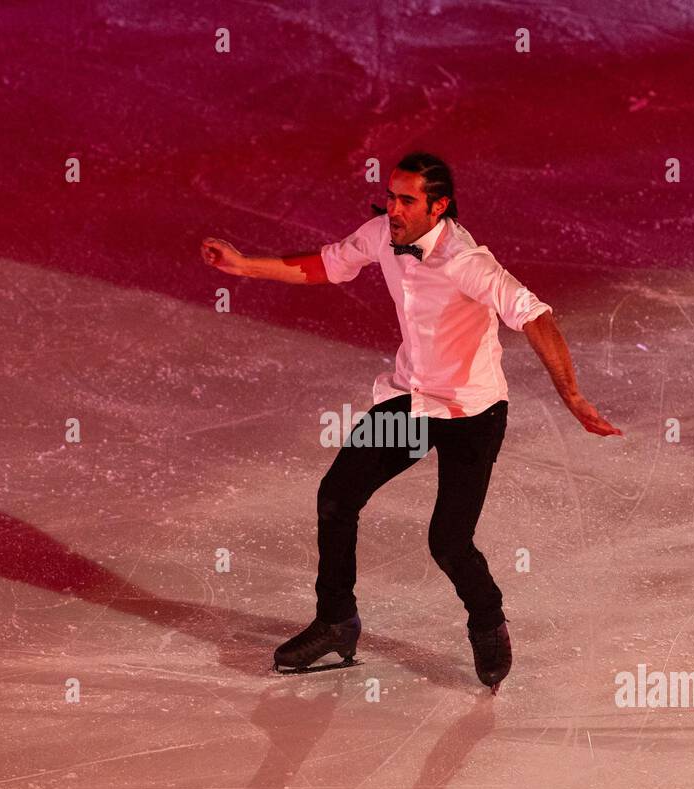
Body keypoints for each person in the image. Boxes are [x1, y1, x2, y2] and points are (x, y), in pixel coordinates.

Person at [201, 152, 621, 692]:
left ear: (438, 205)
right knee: (337, 497)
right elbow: (328, 264)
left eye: (406, 200)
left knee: (448, 541)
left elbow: (536, 316)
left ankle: (488, 620)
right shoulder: (382, 234)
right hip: (411, 406)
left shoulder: (468, 262)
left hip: (472, 414)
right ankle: (335, 622)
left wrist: (572, 395)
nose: (393, 209)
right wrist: (243, 266)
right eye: (391, 197)